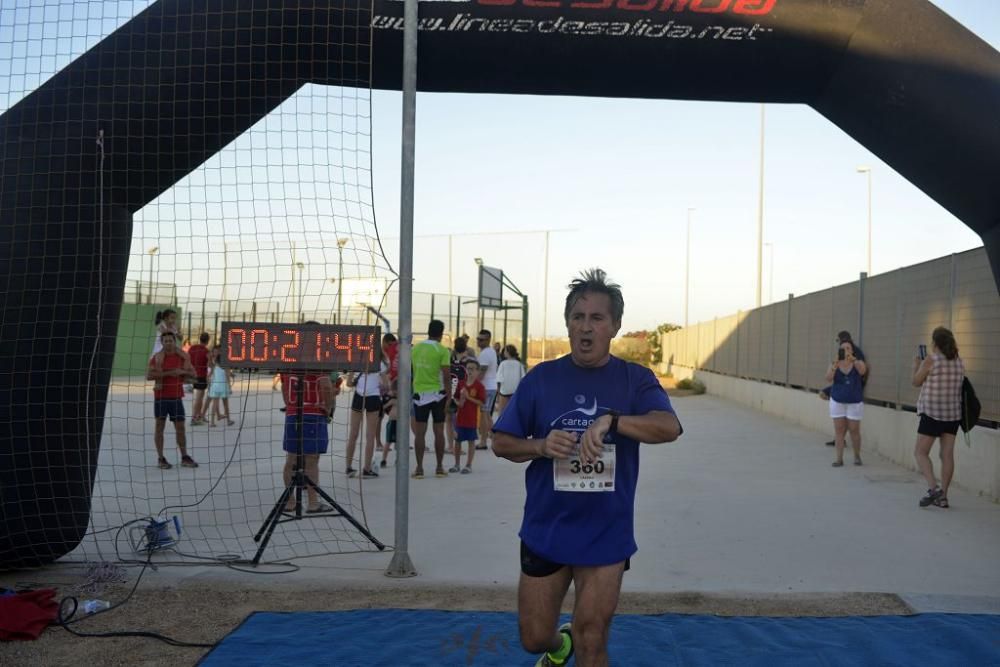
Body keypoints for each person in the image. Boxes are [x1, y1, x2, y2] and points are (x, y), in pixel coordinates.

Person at [492, 268, 681, 667]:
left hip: (605, 534)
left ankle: (577, 643)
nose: (586, 327)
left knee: (592, 637)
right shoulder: (541, 379)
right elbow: (501, 442)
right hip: (547, 529)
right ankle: (559, 647)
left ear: (614, 326)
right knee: (534, 638)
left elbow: (669, 427)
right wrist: (541, 446)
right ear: (567, 324)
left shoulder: (634, 379)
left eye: (597, 318)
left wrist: (613, 421)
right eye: (578, 317)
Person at [912, 327, 964, 509]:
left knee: (920, 452)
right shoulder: (959, 361)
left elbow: (916, 382)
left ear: (935, 343)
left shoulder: (931, 359)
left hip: (932, 413)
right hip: (953, 415)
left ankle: (933, 489)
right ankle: (944, 497)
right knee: (947, 455)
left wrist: (917, 364)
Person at [280, 366, 336, 514]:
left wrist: (290, 406)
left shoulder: (287, 360)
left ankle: (290, 502)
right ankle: (313, 503)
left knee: (291, 458)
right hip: (312, 413)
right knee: (312, 460)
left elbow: (284, 386)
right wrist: (328, 407)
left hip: (292, 414)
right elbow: (326, 386)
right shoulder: (315, 359)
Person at [146, 332, 199, 469]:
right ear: (162, 343)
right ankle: (161, 458)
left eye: (170, 340)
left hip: (176, 398)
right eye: (166, 341)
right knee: (159, 428)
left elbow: (193, 376)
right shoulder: (157, 358)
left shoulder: (182, 357)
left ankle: (185, 457)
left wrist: (182, 373)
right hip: (161, 398)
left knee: (180, 429)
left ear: (174, 342)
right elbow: (149, 376)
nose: (168, 343)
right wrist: (169, 373)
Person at [411, 319, 452, 479]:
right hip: (438, 395)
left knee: (419, 434)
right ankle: (439, 467)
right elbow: (447, 376)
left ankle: (419, 468)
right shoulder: (442, 350)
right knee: (438, 432)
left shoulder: (416, 349)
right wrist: (449, 396)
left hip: (419, 394)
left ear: (428, 331)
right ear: (441, 334)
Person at [824, 339, 867, 467]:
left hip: (854, 401)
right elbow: (828, 378)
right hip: (837, 400)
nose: (846, 350)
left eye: (848, 348)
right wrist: (835, 365)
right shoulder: (835, 364)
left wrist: (853, 359)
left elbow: (862, 371)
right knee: (839, 430)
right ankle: (839, 459)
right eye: (843, 348)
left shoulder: (858, 363)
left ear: (852, 350)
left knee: (854, 430)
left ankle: (857, 455)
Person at [344, 358, 385, 479]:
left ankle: (348, 466)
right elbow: (386, 384)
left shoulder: (356, 362)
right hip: (373, 398)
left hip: (358, 397)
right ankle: (367, 469)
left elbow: (348, 383)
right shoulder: (379, 363)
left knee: (353, 433)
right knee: (370, 435)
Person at [450, 359, 485, 474]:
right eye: (468, 368)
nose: (470, 371)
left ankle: (468, 465)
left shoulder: (479, 386)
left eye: (472, 369)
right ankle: (456, 464)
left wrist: (468, 397)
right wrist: (458, 402)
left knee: (471, 442)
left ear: (477, 371)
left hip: (472, 419)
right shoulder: (461, 384)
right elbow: (455, 397)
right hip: (460, 418)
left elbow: (481, 403)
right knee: (458, 441)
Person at [476, 329, 499, 449]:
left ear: (488, 340)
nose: (478, 342)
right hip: (491, 386)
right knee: (487, 415)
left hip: (486, 387)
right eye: (478, 339)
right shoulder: (491, 351)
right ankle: (496, 436)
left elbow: (482, 371)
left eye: (481, 340)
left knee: (484, 414)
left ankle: (483, 441)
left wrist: (474, 385)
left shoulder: (485, 353)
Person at [207, 346, 235, 426]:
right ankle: (229, 420)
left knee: (214, 404)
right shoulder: (226, 366)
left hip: (215, 386)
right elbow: (227, 376)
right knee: (226, 404)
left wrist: (209, 385)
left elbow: (209, 376)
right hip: (223, 386)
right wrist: (229, 387)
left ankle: (212, 422)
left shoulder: (214, 365)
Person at [496, 344, 526, 416]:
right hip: (516, 391)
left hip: (504, 391)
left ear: (508, 352)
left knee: (502, 413)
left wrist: (498, 391)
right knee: (514, 413)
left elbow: (499, 379)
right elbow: (523, 378)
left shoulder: (503, 364)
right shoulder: (519, 364)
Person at [188, 333, 211, 425]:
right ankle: (194, 418)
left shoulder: (192, 348)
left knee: (200, 397)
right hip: (201, 376)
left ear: (200, 339)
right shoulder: (206, 351)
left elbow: (188, 361)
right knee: (199, 397)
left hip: (193, 375)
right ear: (208, 341)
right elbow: (209, 365)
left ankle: (198, 416)